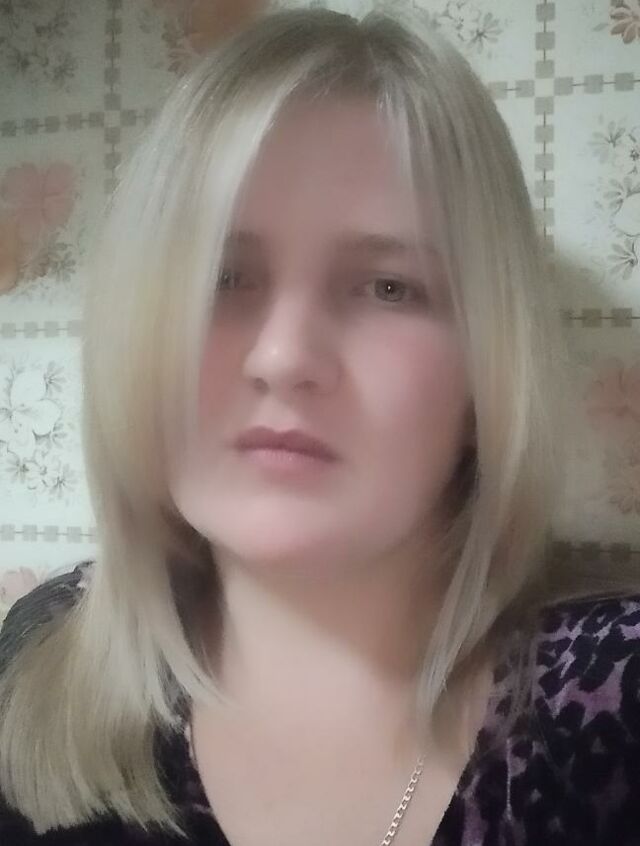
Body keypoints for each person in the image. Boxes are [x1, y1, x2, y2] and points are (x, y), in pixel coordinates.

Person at [1, 5, 640, 845]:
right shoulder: (40, 655)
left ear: (489, 375)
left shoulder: (613, 702)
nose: (282, 357)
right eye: (222, 275)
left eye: (388, 287)